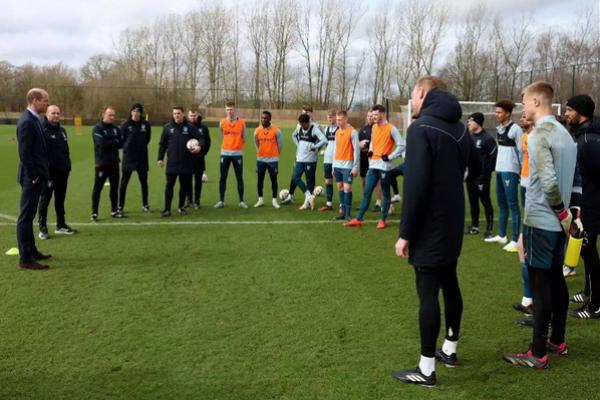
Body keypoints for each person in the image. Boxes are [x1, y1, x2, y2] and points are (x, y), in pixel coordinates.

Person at [392, 76, 479, 387]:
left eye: (413, 94)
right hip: (453, 222)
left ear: (421, 92)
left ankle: (426, 368)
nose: (412, 101)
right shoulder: (460, 128)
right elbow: (478, 167)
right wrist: (452, 181)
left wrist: (405, 233)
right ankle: (450, 349)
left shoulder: (421, 128)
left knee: (428, 291)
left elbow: (416, 186)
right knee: (450, 282)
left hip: (430, 226)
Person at [502, 81, 579, 369]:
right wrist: (567, 216)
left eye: (524, 101)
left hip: (542, 220)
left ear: (536, 101)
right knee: (556, 280)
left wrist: (561, 212)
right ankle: (557, 340)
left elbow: (548, 181)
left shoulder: (538, 135)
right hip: (558, 224)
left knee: (540, 284)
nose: (523, 106)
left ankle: (537, 353)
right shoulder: (565, 134)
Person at [564, 94, 600, 319]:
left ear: (581, 112)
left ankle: (596, 305)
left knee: (589, 252)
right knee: (587, 252)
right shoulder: (581, 136)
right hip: (585, 204)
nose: (566, 113)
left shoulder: (589, 140)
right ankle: (589, 292)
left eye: (570, 110)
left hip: (592, 206)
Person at [344, 104, 404, 229]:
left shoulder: (391, 128)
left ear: (383, 114)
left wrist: (390, 156)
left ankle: (382, 220)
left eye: (376, 115)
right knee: (367, 192)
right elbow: (373, 141)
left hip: (385, 167)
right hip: (373, 166)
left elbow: (402, 145)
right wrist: (371, 150)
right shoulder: (374, 128)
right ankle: (358, 219)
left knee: (386, 194)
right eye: (373, 115)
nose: (373, 117)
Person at [16, 88, 52, 270]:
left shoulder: (35, 119)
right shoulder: (27, 122)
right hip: (31, 177)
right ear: (35, 100)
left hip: (36, 176)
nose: (47, 103)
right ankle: (25, 259)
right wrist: (34, 175)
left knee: (30, 215)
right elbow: (24, 153)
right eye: (45, 100)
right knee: (25, 216)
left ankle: (31, 251)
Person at [485, 100, 523, 252]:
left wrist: (521, 171)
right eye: (496, 112)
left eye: (499, 112)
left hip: (511, 170)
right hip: (500, 170)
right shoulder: (499, 129)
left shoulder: (516, 130)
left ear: (508, 113)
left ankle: (515, 239)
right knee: (501, 203)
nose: (497, 115)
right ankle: (502, 235)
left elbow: (521, 152)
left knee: (513, 204)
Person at [38, 104, 76, 239]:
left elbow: (65, 151)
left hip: (63, 172)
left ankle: (61, 225)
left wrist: (67, 166)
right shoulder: (42, 130)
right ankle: (42, 227)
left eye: (58, 113)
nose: (56, 115)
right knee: (45, 200)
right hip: (49, 173)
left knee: (60, 200)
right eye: (53, 113)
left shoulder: (62, 131)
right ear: (47, 114)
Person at [158, 107, 203, 216]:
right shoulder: (167, 128)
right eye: (174, 113)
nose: (176, 115)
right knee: (169, 185)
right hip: (172, 163)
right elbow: (162, 144)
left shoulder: (190, 127)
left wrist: (199, 146)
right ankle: (167, 209)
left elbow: (201, 138)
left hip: (186, 163)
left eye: (178, 113)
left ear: (183, 114)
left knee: (184, 186)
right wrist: (160, 158)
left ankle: (181, 207)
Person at [513, 111, 534, 319]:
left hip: (535, 193)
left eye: (526, 114)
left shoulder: (541, 138)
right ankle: (529, 299)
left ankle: (532, 301)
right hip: (525, 185)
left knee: (526, 248)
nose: (522, 116)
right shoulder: (525, 136)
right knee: (523, 248)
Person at [281, 106, 323, 205]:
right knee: (295, 175)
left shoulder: (316, 126)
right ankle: (290, 195)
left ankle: (308, 199)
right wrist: (298, 145)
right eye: (303, 112)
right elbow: (295, 136)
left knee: (310, 178)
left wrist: (317, 149)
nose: (304, 114)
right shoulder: (299, 125)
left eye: (307, 113)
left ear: (311, 113)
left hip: (310, 156)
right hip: (299, 156)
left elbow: (322, 139)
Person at [464, 112, 496, 237]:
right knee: (472, 201)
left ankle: (489, 229)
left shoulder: (488, 139)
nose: (468, 123)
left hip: (482, 177)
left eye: (471, 120)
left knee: (485, 201)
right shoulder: (469, 138)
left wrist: (484, 174)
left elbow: (493, 159)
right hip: (470, 177)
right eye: (468, 121)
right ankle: (475, 227)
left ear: (478, 122)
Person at [118, 103, 151, 215]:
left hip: (142, 157)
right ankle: (120, 206)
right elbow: (121, 140)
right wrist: (128, 147)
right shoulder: (125, 124)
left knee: (144, 182)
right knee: (124, 182)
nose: (136, 114)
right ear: (131, 112)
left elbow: (147, 139)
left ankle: (145, 204)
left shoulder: (146, 124)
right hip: (129, 157)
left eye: (138, 112)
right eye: (134, 111)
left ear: (141, 113)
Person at [91, 106, 123, 222]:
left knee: (114, 188)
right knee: (97, 189)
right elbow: (102, 144)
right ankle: (94, 213)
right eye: (110, 115)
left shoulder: (116, 129)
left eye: (113, 115)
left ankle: (114, 210)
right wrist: (114, 141)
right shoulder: (97, 128)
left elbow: (121, 143)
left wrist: (111, 142)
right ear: (103, 115)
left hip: (114, 163)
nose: (112, 117)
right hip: (102, 164)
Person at [291, 113, 327, 210]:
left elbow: (324, 140)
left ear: (308, 122)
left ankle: (306, 203)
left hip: (310, 159)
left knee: (309, 181)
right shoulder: (299, 128)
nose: (303, 126)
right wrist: (298, 144)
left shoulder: (314, 128)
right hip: (300, 158)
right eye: (301, 124)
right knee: (295, 177)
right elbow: (293, 136)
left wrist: (315, 146)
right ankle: (309, 196)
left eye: (304, 124)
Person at [215, 101, 247, 208]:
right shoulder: (222, 122)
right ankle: (221, 201)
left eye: (231, 109)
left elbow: (244, 138)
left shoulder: (242, 122)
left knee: (239, 177)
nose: (229, 111)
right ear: (225, 110)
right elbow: (222, 136)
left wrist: (236, 146)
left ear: (235, 109)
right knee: (223, 177)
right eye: (227, 110)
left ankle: (241, 201)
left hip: (237, 154)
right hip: (225, 153)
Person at [331, 110, 359, 220]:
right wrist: (333, 166)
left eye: (341, 120)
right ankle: (342, 213)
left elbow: (356, 150)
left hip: (348, 165)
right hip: (337, 165)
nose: (338, 122)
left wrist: (355, 167)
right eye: (337, 120)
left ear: (346, 119)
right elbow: (335, 149)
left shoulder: (353, 132)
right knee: (340, 187)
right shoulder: (337, 132)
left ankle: (348, 214)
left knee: (347, 188)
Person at [253, 110, 282, 208]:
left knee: (273, 180)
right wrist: (260, 152)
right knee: (260, 180)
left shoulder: (276, 131)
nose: (263, 120)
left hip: (272, 160)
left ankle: (274, 200)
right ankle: (260, 200)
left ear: (270, 119)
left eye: (265, 118)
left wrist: (275, 155)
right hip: (261, 159)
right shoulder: (257, 131)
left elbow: (280, 145)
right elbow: (256, 143)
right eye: (262, 118)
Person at [187, 109, 211, 208]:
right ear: (188, 116)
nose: (193, 117)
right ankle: (189, 201)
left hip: (199, 159)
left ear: (198, 115)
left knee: (198, 181)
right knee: (187, 181)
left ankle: (197, 201)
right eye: (191, 115)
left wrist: (203, 153)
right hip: (187, 159)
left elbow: (208, 142)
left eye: (194, 115)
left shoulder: (203, 127)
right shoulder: (185, 127)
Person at [318, 110, 339, 211]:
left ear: (336, 117)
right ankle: (329, 203)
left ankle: (342, 205)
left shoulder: (340, 129)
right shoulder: (326, 129)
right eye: (328, 117)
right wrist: (320, 149)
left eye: (331, 117)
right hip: (327, 159)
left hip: (338, 159)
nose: (329, 119)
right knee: (328, 181)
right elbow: (325, 142)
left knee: (339, 182)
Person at [358, 111, 374, 192]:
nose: (370, 118)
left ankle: (378, 199)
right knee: (363, 179)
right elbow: (358, 143)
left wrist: (367, 145)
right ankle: (365, 197)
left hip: (374, 157)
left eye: (371, 116)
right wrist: (360, 146)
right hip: (363, 157)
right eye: (368, 116)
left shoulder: (377, 128)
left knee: (377, 181)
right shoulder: (362, 129)